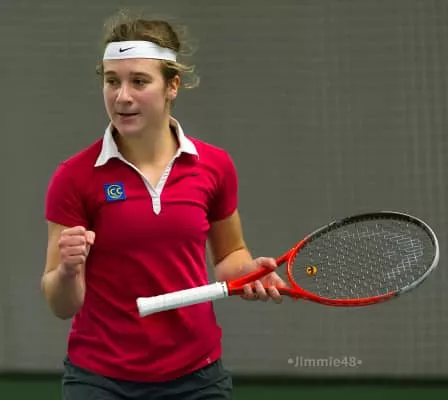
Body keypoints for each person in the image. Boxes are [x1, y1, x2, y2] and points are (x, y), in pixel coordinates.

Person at [41, 9, 286, 400]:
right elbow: (60, 304)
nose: (122, 96)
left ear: (172, 85)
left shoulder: (215, 166)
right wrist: (69, 271)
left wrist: (247, 272)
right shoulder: (74, 177)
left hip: (197, 378)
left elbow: (230, 255)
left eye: (139, 81)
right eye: (112, 81)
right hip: (100, 380)